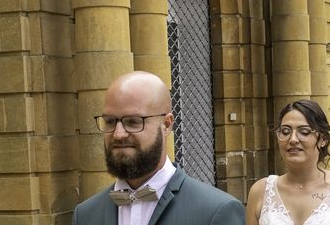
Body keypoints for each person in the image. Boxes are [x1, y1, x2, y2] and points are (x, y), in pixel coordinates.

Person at [72, 71, 245, 225]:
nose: (118, 134)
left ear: (167, 124)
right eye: (110, 121)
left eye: (133, 122)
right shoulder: (85, 215)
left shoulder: (216, 211)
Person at [246, 99, 330, 225]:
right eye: (285, 131)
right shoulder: (260, 191)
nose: (292, 139)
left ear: (323, 139)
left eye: (304, 132)